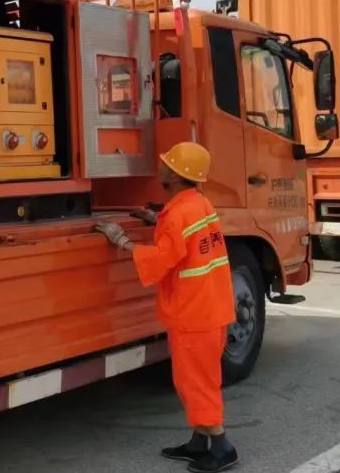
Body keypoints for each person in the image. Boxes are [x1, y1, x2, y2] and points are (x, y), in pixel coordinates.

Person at [95, 142, 239, 473]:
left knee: (195, 382)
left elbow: (163, 258)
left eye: (167, 164)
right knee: (199, 377)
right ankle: (199, 442)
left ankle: (222, 447)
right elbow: (186, 240)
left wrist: (121, 241)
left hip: (194, 313)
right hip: (211, 308)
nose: (161, 167)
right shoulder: (198, 203)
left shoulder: (178, 214)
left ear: (175, 175)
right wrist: (155, 218)